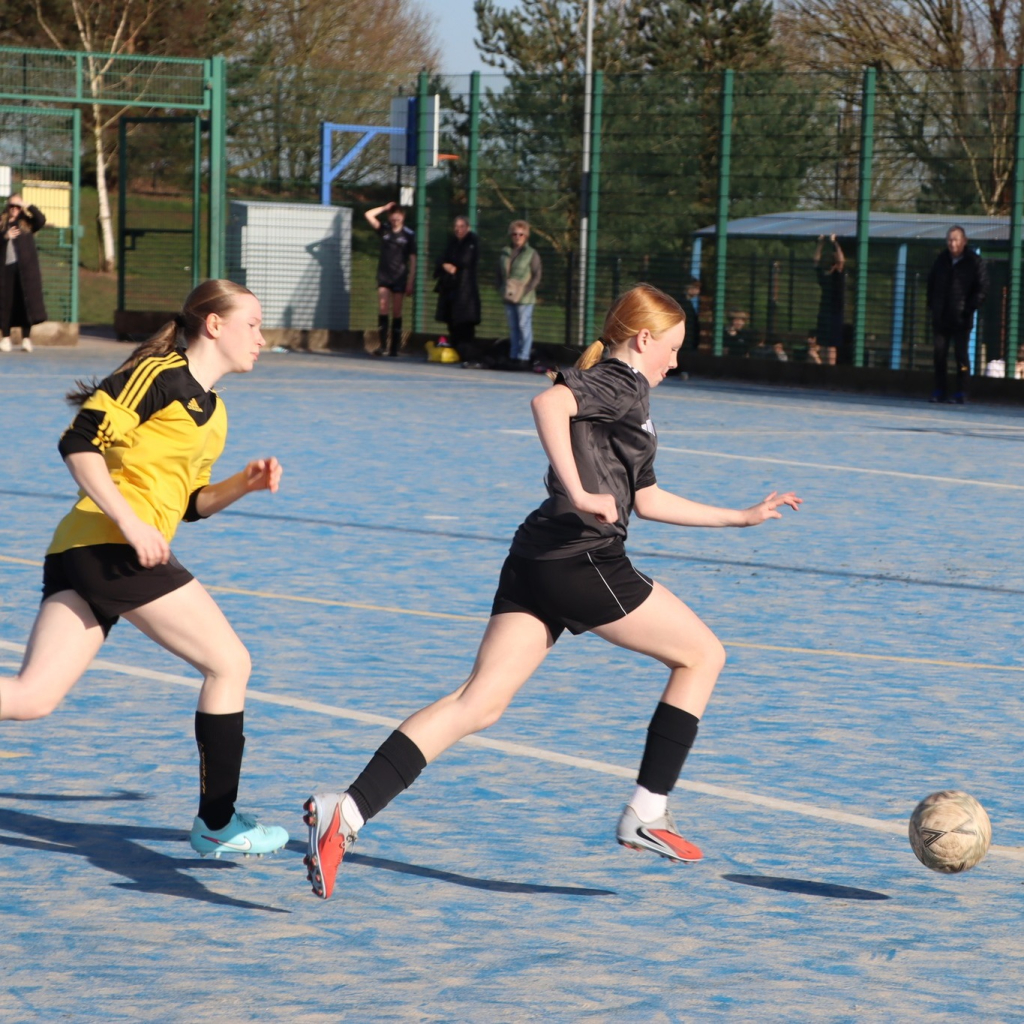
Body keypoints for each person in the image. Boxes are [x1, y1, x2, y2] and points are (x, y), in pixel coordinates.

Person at [302, 283, 801, 900]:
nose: (676, 359)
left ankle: (344, 813)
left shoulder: (631, 398)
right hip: (581, 558)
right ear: (643, 340)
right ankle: (647, 812)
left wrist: (741, 516)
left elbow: (645, 499)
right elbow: (546, 405)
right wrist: (581, 492)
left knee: (477, 704)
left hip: (538, 555)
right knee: (704, 656)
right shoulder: (620, 380)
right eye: (672, 346)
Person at [0, 279, 289, 860]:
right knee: (230, 662)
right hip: (110, 544)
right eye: (253, 324)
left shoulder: (215, 412)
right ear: (214, 325)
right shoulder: (158, 374)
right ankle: (218, 822)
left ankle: (218, 821)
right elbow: (79, 441)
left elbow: (188, 504)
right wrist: (131, 524)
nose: (263, 337)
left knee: (33, 697)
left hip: (94, 550)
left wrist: (243, 484)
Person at [926, 225, 988, 404]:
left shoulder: (974, 262)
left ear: (964, 241)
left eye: (955, 240)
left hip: (961, 318)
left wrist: (969, 308)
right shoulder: (941, 260)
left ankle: (962, 392)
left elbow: (982, 288)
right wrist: (933, 306)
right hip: (940, 317)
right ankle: (939, 391)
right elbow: (931, 283)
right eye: (949, 240)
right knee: (939, 354)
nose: (952, 244)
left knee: (961, 355)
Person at [366, 202, 417, 357]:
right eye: (392, 216)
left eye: (398, 216)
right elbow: (368, 215)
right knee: (383, 306)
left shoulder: (408, 235)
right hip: (384, 275)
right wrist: (383, 208)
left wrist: (410, 281)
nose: (395, 219)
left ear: (403, 217)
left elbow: (413, 260)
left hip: (399, 276)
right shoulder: (385, 230)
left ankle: (394, 347)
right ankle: (382, 346)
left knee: (396, 311)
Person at [0, 193, 47, 353]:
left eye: (17, 206)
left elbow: (41, 219)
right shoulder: (2, 222)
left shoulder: (27, 223)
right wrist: (5, 236)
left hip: (25, 271)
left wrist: (27, 205)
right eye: (11, 206)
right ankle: (5, 338)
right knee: (5, 304)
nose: (14, 209)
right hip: (5, 270)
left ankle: (26, 339)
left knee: (25, 303)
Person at [434, 215, 481, 365]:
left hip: (465, 292)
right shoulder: (452, 243)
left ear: (467, 227)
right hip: (451, 290)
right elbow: (441, 259)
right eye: (456, 226)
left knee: (465, 325)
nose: (458, 229)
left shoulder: (472, 242)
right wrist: (446, 265)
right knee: (452, 323)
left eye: (461, 226)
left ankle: (467, 354)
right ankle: (456, 351)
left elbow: (464, 261)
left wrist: (450, 264)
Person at [497, 220, 542, 370]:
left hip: (525, 298)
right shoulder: (505, 252)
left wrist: (526, 290)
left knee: (524, 326)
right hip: (508, 295)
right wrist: (501, 288)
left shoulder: (531, 254)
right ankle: (514, 355)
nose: (518, 237)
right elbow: (499, 273)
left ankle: (524, 357)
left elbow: (537, 274)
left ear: (526, 236)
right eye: (515, 234)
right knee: (513, 327)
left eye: (521, 234)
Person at [813, 234, 845, 366]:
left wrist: (828, 243)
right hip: (829, 313)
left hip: (831, 312)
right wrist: (828, 243)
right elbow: (816, 263)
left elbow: (840, 261)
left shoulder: (834, 278)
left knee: (829, 345)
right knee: (827, 344)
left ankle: (829, 366)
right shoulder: (828, 278)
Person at [681, 278, 702, 352]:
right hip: (685, 344)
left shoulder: (688, 304)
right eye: (696, 288)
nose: (698, 291)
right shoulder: (683, 305)